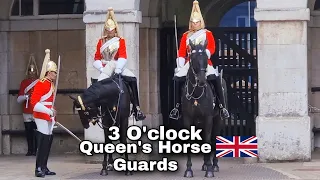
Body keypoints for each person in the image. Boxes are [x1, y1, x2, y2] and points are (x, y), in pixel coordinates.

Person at [169, 0, 230, 120]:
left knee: (215, 78)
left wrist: (205, 54)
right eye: (193, 22)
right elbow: (182, 52)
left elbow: (211, 48)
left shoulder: (207, 34)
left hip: (204, 63)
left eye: (197, 22)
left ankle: (222, 107)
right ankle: (176, 107)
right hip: (189, 63)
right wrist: (180, 65)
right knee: (177, 79)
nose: (195, 24)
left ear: (200, 22)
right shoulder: (186, 36)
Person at [92, 7, 146, 121]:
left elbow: (123, 55)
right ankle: (94, 111)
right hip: (105, 68)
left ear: (115, 29)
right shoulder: (101, 42)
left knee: (132, 79)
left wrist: (118, 68)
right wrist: (101, 68)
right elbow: (97, 57)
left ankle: (137, 108)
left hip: (117, 66)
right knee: (94, 86)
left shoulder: (120, 41)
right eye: (107, 30)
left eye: (111, 30)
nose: (109, 32)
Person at [30, 49, 57, 177]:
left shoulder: (50, 84)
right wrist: (48, 111)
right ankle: (38, 168)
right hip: (41, 115)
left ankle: (44, 167)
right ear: (49, 72)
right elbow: (34, 103)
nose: (55, 75)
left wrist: (52, 111)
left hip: (48, 115)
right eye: (54, 73)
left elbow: (49, 101)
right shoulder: (42, 83)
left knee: (47, 142)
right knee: (42, 142)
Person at [17, 54, 39, 156]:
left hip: (35, 109)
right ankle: (30, 150)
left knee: (36, 132)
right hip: (26, 110)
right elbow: (19, 98)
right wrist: (26, 97)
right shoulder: (24, 82)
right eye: (30, 71)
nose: (32, 73)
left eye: (33, 71)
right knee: (28, 131)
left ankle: (36, 149)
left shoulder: (39, 82)